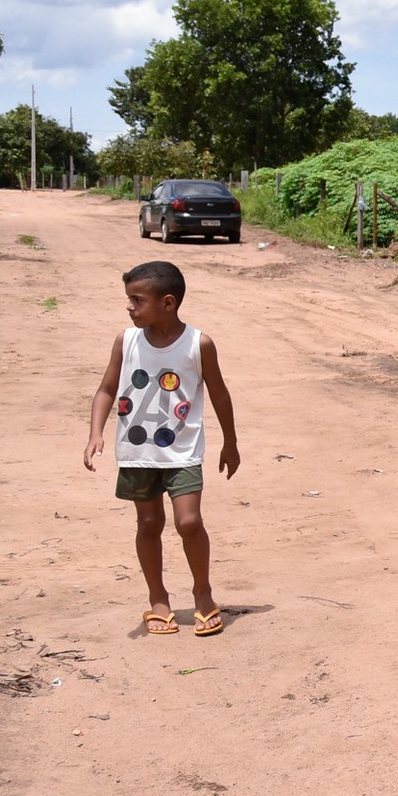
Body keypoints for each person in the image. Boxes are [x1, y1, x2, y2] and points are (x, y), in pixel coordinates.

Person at [83, 261, 240, 637]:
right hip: (138, 452)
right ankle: (158, 599)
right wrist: (96, 433)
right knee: (149, 523)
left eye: (137, 300)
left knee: (189, 522)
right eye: (129, 300)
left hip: (182, 450)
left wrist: (230, 442)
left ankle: (203, 593)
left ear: (167, 303)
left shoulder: (198, 344)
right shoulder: (127, 341)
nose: (129, 307)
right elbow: (106, 389)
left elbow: (218, 392)